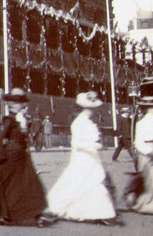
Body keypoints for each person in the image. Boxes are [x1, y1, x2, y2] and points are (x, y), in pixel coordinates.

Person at [0, 87, 51, 227]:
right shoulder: (10, 119)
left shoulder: (20, 118)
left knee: (26, 184)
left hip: (22, 157)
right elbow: (0, 137)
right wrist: (1, 151)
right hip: (11, 156)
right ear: (12, 104)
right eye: (19, 102)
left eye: (22, 102)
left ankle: (34, 212)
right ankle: (5, 213)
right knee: (15, 185)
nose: (23, 105)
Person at [46, 92, 117, 225]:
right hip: (83, 158)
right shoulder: (79, 123)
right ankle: (55, 208)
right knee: (78, 183)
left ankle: (101, 212)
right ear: (85, 108)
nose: (94, 110)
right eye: (91, 108)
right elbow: (76, 143)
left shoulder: (89, 122)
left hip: (91, 158)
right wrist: (94, 145)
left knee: (92, 184)